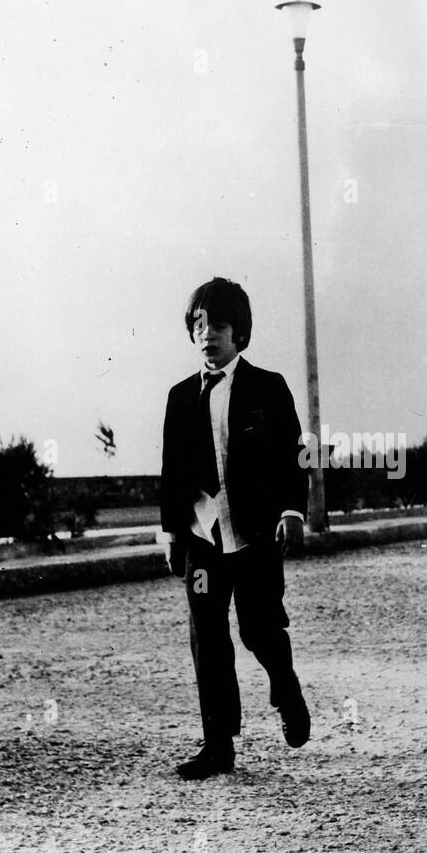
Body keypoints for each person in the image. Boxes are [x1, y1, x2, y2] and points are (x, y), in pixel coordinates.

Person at [158, 277, 311, 780]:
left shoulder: (269, 387)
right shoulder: (180, 397)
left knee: (258, 628)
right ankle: (217, 744)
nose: (208, 335)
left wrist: (292, 510)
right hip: (203, 536)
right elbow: (171, 472)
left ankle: (285, 687)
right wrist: (171, 531)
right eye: (199, 325)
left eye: (218, 325)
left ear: (239, 332)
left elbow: (295, 455)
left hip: (256, 534)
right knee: (207, 635)